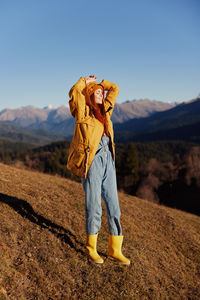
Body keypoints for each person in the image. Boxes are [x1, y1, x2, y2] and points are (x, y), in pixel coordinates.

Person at [67, 75, 130, 265]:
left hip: (108, 161)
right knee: (94, 206)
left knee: (114, 207)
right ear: (89, 95)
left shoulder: (106, 112)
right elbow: (74, 93)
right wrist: (83, 82)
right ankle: (91, 248)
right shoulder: (83, 113)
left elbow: (115, 89)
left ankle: (114, 250)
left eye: (102, 93)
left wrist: (102, 84)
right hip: (92, 161)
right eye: (97, 93)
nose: (102, 95)